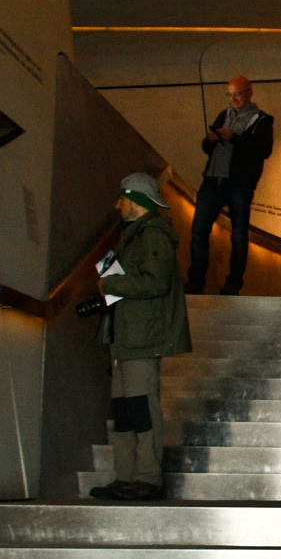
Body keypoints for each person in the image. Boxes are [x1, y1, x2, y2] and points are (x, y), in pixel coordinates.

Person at [90, 172, 191, 500]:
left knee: (141, 409)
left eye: (122, 198)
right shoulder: (135, 236)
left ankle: (147, 478)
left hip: (141, 337)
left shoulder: (153, 235)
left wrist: (110, 284)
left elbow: (155, 282)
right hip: (126, 337)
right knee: (124, 411)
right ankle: (126, 476)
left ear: (137, 201)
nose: (117, 205)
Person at [186, 74, 273, 295]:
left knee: (239, 235)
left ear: (249, 94)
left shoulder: (261, 120)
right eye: (230, 94)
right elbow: (207, 147)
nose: (233, 99)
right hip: (213, 178)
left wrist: (234, 138)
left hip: (239, 183)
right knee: (198, 231)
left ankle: (233, 282)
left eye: (237, 95)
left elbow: (263, 150)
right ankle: (196, 280)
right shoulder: (223, 115)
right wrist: (211, 140)